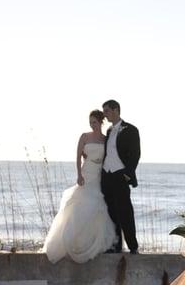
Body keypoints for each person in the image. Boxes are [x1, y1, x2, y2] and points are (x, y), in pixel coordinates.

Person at [44, 110, 117, 263]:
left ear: (101, 122)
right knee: (81, 203)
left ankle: (93, 243)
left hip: (99, 174)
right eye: (90, 122)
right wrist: (79, 174)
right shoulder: (84, 136)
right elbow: (78, 157)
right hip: (86, 172)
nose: (92, 125)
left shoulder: (105, 139)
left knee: (98, 205)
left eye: (94, 122)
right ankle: (73, 240)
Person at [101, 99, 140, 254]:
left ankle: (133, 246)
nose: (105, 115)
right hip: (107, 176)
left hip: (120, 175)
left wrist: (127, 174)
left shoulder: (131, 129)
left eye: (107, 111)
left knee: (125, 212)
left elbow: (135, 155)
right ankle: (116, 245)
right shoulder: (109, 131)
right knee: (111, 212)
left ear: (116, 110)